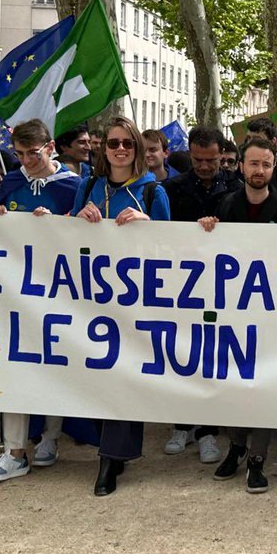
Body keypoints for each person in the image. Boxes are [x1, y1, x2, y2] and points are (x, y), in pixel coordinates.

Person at [0, 120, 83, 482]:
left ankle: (51, 438)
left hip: (59, 291)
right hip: (14, 290)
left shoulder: (73, 185)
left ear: (50, 146)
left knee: (54, 366)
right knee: (13, 363)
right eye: (19, 154)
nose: (25, 161)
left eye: (32, 153)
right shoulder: (11, 181)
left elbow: (87, 233)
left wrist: (59, 222)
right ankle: (13, 450)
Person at [72, 117, 172, 496]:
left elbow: (172, 249)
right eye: (112, 143)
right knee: (97, 374)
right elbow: (64, 238)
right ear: (103, 148)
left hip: (136, 301)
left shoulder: (152, 193)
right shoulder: (89, 187)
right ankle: (113, 451)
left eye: (127, 144)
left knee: (123, 374)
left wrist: (148, 223)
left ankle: (110, 459)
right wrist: (78, 220)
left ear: (137, 150)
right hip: (91, 299)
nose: (119, 149)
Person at [198, 138, 277, 493]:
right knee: (234, 384)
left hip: (273, 314)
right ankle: (237, 445)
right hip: (235, 312)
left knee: (264, 387)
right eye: (254, 164)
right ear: (241, 165)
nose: (260, 171)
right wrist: (207, 229)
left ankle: (257, 459)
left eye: (267, 165)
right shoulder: (225, 205)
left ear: (274, 168)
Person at [161, 126, 239, 462]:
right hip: (182, 286)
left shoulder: (237, 188)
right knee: (182, 354)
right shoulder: (172, 188)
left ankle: (209, 430)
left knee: (213, 358)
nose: (205, 165)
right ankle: (182, 424)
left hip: (225, 287)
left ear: (222, 154)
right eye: (198, 160)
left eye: (211, 159)